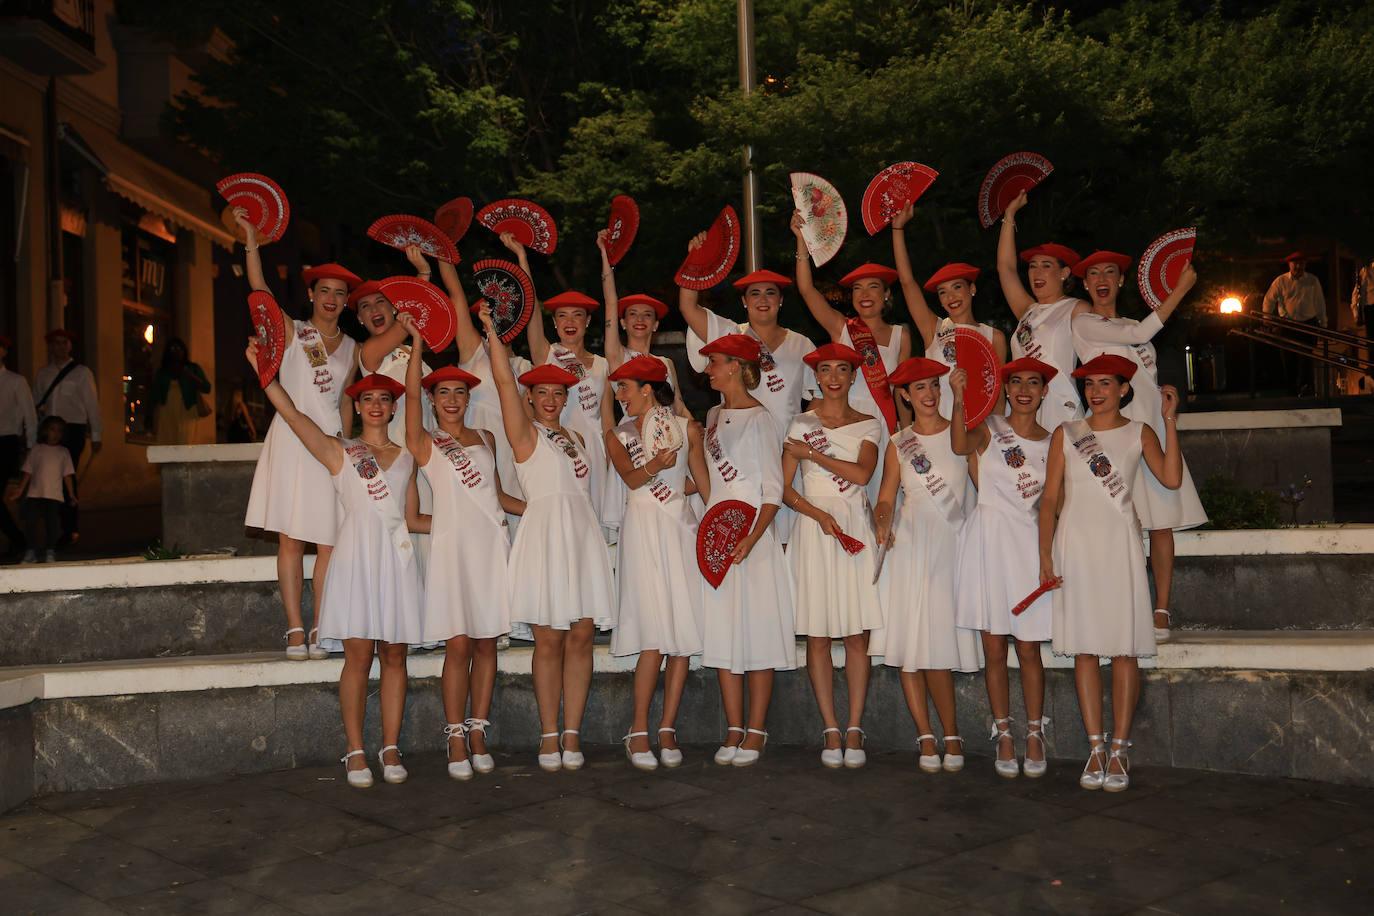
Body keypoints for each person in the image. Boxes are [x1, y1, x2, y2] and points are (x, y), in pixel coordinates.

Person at [245, 343, 424, 789]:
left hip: (395, 563)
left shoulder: (407, 457)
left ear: (393, 406)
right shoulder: (339, 452)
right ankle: (355, 748)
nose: (377, 405)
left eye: (385, 399)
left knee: (396, 655)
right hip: (356, 560)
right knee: (358, 657)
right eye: (368, 399)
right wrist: (265, 375)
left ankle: (391, 746)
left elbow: (415, 517)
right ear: (357, 406)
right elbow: (293, 417)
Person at [478, 302, 615, 772]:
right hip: (545, 539)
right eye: (544, 393)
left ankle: (573, 732)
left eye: (559, 392)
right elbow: (500, 383)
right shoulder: (525, 435)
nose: (553, 399)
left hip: (581, 536)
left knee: (581, 638)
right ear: (531, 398)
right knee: (549, 641)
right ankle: (548, 734)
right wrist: (494, 334)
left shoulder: (576, 438)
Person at [1038, 354, 1184, 793]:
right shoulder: (1067, 434)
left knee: (1123, 650)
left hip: (1119, 546)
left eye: (1106, 383)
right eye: (1090, 384)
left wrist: (1169, 421)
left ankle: (1120, 747)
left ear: (1124, 388)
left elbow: (1171, 478)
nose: (1096, 391)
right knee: (1084, 649)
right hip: (1075, 544)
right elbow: (1048, 500)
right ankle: (1095, 746)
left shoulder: (1139, 432)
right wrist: (1045, 555)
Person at [401, 319, 524, 780]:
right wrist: (416, 344)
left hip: (491, 544)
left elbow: (497, 496)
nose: (452, 399)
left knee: (487, 641)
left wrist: (541, 509)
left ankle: (478, 732)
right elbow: (409, 398)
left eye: (459, 392)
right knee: (458, 644)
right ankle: (454, 733)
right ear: (433, 400)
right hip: (453, 550)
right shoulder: (426, 442)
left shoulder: (487, 439)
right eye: (443, 393)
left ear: (469, 399)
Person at [237, 209, 360, 660]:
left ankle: (321, 625)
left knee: (329, 540)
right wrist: (252, 241)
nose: (331, 298)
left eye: (339, 293)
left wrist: (349, 446)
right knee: (291, 539)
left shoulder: (353, 349)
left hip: (329, 446)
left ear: (348, 301)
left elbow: (346, 402)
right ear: (310, 294)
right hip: (290, 440)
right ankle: (293, 626)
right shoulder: (293, 332)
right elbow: (260, 291)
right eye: (324, 290)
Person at [1072, 253, 1208, 641]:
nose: (1101, 279)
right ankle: (1113, 606)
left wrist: (1165, 406)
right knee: (1114, 519)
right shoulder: (1083, 323)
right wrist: (1181, 289)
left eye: (1110, 273)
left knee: (1161, 522)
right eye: (1093, 274)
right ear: (1084, 284)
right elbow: (1139, 336)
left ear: (1121, 281)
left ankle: (1161, 609)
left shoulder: (1134, 323)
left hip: (1151, 428)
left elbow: (1144, 367)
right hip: (1109, 434)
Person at [871, 357, 981, 774]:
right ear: (905, 395)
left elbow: (984, 488)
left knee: (936, 645)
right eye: (919, 388)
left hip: (953, 547)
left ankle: (951, 732)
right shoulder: (899, 443)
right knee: (912, 646)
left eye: (934, 385)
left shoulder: (963, 436)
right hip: (913, 548)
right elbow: (885, 498)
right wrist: (882, 523)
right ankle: (927, 735)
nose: (929, 394)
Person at [951, 357, 1057, 778]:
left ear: (1045, 391)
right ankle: (1004, 733)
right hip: (988, 542)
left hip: (1027, 546)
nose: (1025, 389)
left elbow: (1055, 500)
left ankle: (1034, 732)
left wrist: (1049, 554)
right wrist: (959, 398)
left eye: (1034, 382)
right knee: (993, 648)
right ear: (1006, 388)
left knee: (1029, 648)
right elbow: (960, 446)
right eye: (1017, 382)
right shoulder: (990, 428)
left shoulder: (1056, 441)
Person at [782, 343, 882, 768]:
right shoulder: (800, 423)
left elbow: (862, 474)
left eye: (843, 369)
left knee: (857, 634)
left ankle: (855, 726)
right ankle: (830, 726)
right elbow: (784, 490)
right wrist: (818, 513)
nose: (834, 377)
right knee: (819, 635)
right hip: (815, 525)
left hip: (853, 528)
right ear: (816, 376)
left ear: (853, 376)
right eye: (826, 370)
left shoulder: (869, 424)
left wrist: (815, 455)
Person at [605, 355, 708, 770]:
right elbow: (631, 478)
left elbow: (703, 482)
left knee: (680, 633)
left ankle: (667, 727)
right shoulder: (616, 434)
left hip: (678, 529)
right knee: (652, 635)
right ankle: (638, 729)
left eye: (625, 388)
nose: (619, 397)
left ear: (647, 388)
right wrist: (654, 465)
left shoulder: (687, 429)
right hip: (643, 529)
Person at [698, 334, 796, 767]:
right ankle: (733, 727)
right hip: (719, 536)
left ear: (735, 366)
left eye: (714, 362)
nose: (708, 370)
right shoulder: (713, 414)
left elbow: (773, 490)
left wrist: (750, 540)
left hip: (752, 537)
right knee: (723, 632)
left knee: (757, 633)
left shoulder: (762, 419)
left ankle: (756, 729)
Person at [680, 233, 816, 542]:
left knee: (789, 544)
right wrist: (695, 260)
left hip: (788, 456)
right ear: (744, 301)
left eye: (771, 293)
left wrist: (805, 445)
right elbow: (688, 307)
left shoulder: (802, 344)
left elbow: (817, 402)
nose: (763, 300)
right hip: (738, 461)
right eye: (755, 294)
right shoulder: (730, 335)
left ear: (781, 300)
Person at [792, 212, 911, 504]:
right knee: (844, 503)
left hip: (883, 426)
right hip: (841, 426)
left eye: (873, 286)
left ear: (886, 295)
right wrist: (801, 243)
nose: (864, 293)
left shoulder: (901, 336)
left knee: (883, 505)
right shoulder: (841, 327)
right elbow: (807, 290)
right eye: (857, 288)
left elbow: (900, 392)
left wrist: (907, 433)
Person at [516, 235, 615, 530]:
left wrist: (614, 463)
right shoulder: (546, 354)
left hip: (594, 451)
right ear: (555, 323)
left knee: (594, 524)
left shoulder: (602, 365)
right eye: (562, 316)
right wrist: (523, 259)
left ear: (587, 322)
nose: (569, 321)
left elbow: (608, 421)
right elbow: (531, 311)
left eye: (577, 315)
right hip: (555, 448)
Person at [891, 201, 1009, 419]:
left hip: (981, 434)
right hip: (941, 429)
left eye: (957, 287)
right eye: (943, 292)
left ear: (972, 289)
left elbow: (998, 393)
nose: (951, 297)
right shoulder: (934, 329)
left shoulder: (995, 337)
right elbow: (907, 283)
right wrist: (897, 230)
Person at [996, 191, 1089, 428]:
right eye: (1032, 267)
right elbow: (1005, 268)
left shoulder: (1077, 309)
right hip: (1023, 404)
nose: (1036, 273)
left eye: (1046, 266)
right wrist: (1009, 214)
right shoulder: (1027, 310)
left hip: (1061, 409)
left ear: (1064, 273)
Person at [33, 328, 100, 545]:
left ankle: (70, 528)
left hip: (73, 430)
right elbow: (36, 403)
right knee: (51, 479)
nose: (59, 347)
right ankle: (59, 527)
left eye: (64, 342)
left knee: (66, 478)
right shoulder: (43, 374)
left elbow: (92, 404)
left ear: (70, 346)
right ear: (50, 347)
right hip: (48, 430)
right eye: (55, 343)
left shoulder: (82, 373)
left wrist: (96, 434)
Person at [1263, 252, 1327, 395]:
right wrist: (1267, 318)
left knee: (1307, 358)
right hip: (1288, 324)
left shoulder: (1312, 280)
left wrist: (1323, 324)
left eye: (1301, 263)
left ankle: (1306, 388)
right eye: (1295, 263)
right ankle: (1291, 390)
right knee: (1288, 358)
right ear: (1289, 265)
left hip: (1308, 324)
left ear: (1305, 265)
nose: (1298, 266)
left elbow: (1320, 303)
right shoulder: (1281, 281)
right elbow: (1269, 299)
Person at [18, 416, 76, 563]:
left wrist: (71, 494)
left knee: (52, 526)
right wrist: (20, 490)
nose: (56, 434)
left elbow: (67, 475)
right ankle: (31, 551)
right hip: (35, 494)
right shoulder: (37, 449)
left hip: (54, 495)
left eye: (59, 431)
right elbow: (28, 471)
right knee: (30, 523)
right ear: (44, 431)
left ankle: (50, 550)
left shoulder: (64, 452)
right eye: (52, 429)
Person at [0, 334, 37, 557]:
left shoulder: (15, 381)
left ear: (4, 351)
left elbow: (29, 416)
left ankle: (18, 539)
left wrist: (32, 447)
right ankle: (18, 539)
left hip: (5, 443)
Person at [151, 337, 213, 445]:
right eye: (173, 349)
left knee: (185, 443)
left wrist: (190, 376)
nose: (176, 352)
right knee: (167, 443)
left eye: (179, 348)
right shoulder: (162, 372)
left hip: (187, 410)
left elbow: (207, 388)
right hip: (167, 412)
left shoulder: (193, 368)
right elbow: (154, 394)